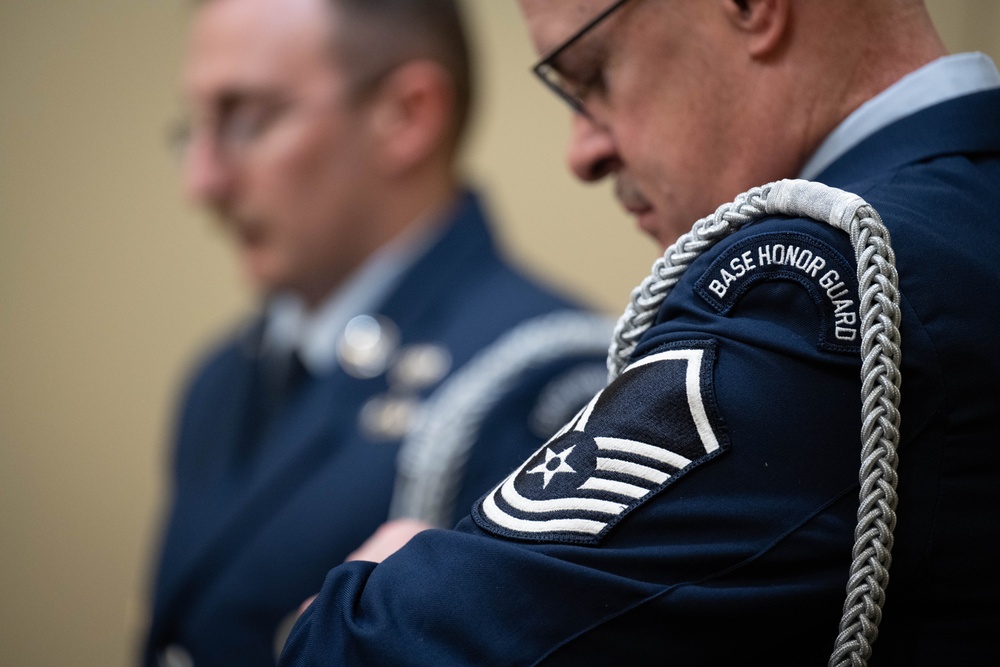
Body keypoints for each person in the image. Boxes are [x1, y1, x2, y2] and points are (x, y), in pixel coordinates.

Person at [276, 0, 1000, 664]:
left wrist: (368, 589)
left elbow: (368, 649)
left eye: (592, 74)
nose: (582, 154)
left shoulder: (807, 287)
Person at [143, 0, 611, 665]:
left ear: (407, 116)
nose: (203, 182)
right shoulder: (220, 380)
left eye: (247, 120)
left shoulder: (540, 378)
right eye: (196, 129)